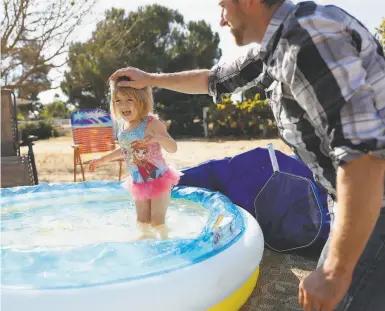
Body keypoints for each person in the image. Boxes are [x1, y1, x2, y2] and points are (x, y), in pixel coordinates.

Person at [109, 0, 385, 310]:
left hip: (375, 204)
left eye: (223, 6)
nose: (221, 21)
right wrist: (149, 79)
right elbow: (212, 80)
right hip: (355, 201)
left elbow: (365, 157)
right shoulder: (276, 47)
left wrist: (336, 271)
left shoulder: (309, 40)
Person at [89, 80, 181, 240]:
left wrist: (157, 138)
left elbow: (173, 147)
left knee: (157, 222)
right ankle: (146, 244)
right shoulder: (123, 128)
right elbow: (125, 150)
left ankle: (165, 242)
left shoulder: (152, 123)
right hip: (139, 182)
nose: (123, 105)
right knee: (142, 223)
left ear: (141, 100)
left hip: (158, 179)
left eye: (129, 99)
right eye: (118, 100)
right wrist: (102, 160)